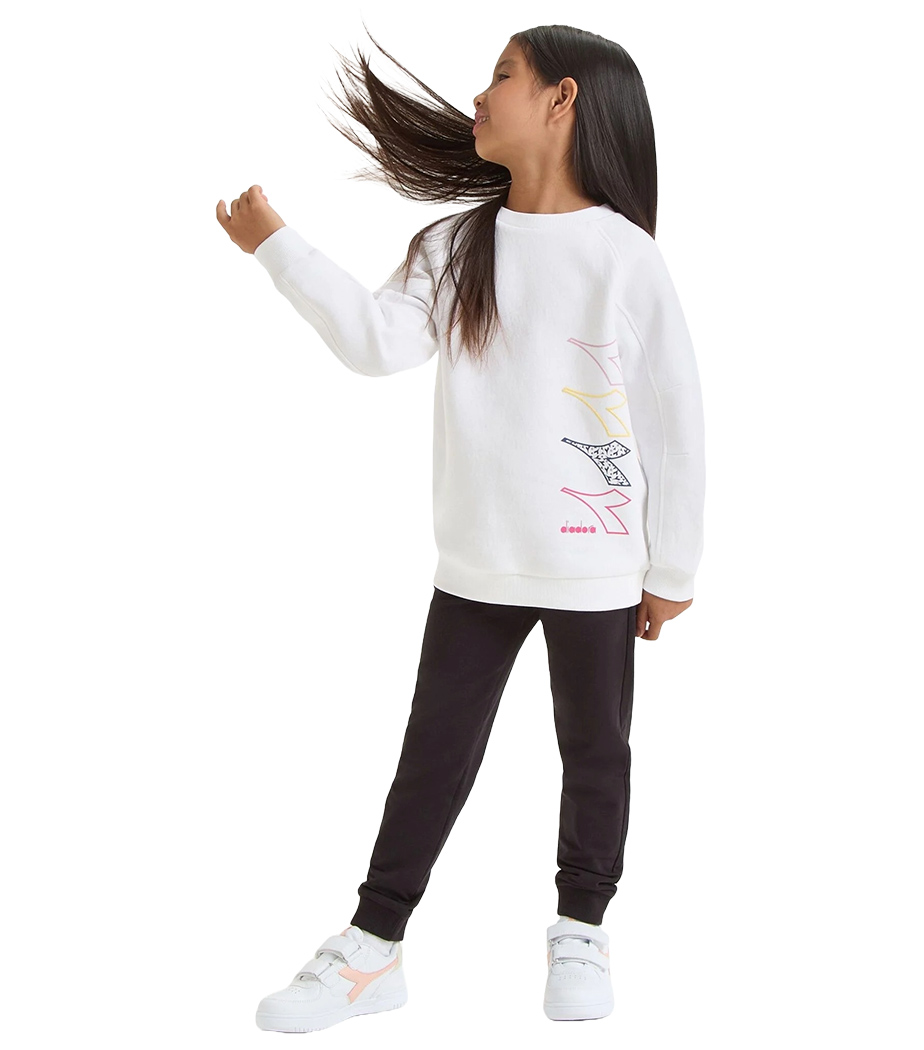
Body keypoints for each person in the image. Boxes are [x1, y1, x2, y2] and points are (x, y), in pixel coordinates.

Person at [216, 23, 705, 1030]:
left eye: (502, 76)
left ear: (563, 101)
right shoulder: (456, 245)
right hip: (476, 566)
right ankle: (374, 947)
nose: (480, 95)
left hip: (594, 568)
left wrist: (673, 566)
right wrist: (278, 248)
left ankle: (583, 926)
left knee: (596, 752)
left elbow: (673, 417)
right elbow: (376, 342)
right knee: (432, 755)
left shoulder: (624, 257)